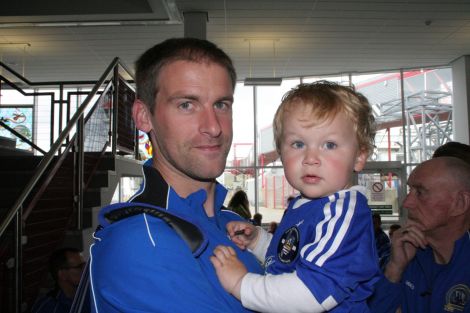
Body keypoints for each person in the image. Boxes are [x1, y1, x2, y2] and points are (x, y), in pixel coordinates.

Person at [89, 38, 263, 312]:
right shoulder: (141, 240)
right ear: (144, 117)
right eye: (186, 105)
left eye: (221, 105)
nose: (214, 127)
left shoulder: (232, 222)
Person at [210, 81, 381, 312]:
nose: (311, 157)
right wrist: (259, 242)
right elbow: (290, 257)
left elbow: (312, 292)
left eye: (329, 145)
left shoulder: (342, 211)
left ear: (359, 157)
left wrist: (242, 284)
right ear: (281, 152)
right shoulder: (304, 205)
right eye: (298, 143)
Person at [368, 157, 470, 313]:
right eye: (410, 191)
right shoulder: (409, 256)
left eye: (420, 192)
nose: (406, 203)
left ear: (460, 203)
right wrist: (394, 269)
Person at [31, 247, 87, 313]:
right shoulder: (49, 307)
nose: (85, 270)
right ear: (62, 274)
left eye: (84, 265)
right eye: (80, 267)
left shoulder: (85, 297)